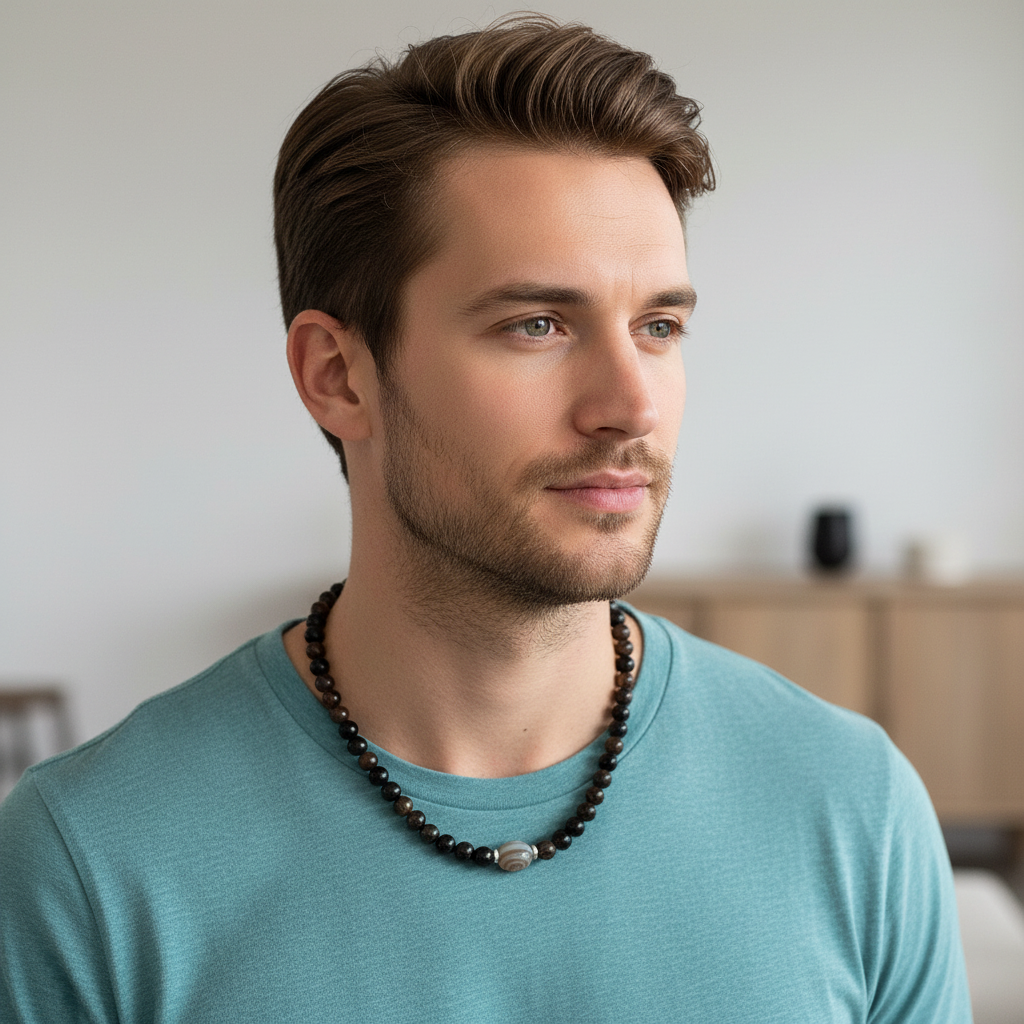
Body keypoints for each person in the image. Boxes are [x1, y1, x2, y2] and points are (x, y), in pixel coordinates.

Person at [0, 15, 971, 1022]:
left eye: (658, 326)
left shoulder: (849, 807)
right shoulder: (90, 860)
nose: (631, 404)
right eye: (537, 325)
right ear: (338, 377)